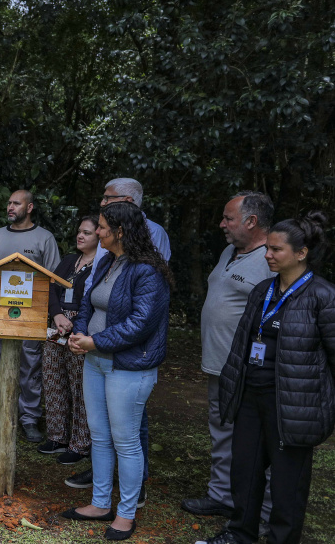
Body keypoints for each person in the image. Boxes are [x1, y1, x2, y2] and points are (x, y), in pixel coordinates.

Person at [198, 212, 335, 544]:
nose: (269, 255)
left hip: (292, 404)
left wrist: (321, 405)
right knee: (245, 471)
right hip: (251, 396)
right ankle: (240, 533)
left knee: (288, 482)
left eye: (276, 250)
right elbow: (243, 344)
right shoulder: (262, 290)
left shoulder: (322, 297)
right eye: (268, 248)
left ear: (301, 253)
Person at [62, 202, 172, 541]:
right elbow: (87, 303)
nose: (97, 233)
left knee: (126, 441)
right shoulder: (109, 260)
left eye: (103, 228)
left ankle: (125, 514)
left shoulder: (148, 271)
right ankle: (99, 503)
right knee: (100, 435)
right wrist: (79, 335)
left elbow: (140, 324)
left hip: (129, 365)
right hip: (95, 360)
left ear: (121, 231)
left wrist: (95, 341)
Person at [182, 192, 274, 521]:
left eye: (228, 219)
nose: (222, 224)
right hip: (218, 364)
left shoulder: (270, 260)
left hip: (249, 368)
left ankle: (262, 513)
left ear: (251, 222)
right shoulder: (228, 252)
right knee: (221, 430)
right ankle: (221, 495)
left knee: (255, 439)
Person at [0, 190, 61, 443]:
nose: (10, 207)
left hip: (31, 317)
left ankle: (29, 418)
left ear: (30, 207)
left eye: (16, 203)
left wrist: (52, 314)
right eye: (9, 203)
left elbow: (53, 280)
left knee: (30, 366)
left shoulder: (45, 238)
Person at [37, 215, 99, 465]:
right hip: (56, 324)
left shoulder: (103, 264)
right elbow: (49, 286)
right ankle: (57, 436)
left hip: (80, 328)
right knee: (52, 378)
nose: (80, 236)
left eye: (87, 233)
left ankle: (80, 443)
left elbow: (95, 298)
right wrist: (56, 315)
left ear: (99, 237)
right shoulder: (69, 260)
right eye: (79, 231)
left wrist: (75, 323)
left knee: (79, 384)